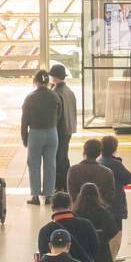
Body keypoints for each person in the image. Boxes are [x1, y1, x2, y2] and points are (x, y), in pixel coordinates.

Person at [21, 69, 62, 205]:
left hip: (36, 134)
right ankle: (49, 195)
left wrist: (25, 138)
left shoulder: (30, 97)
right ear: (47, 81)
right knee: (51, 164)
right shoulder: (55, 96)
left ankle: (35, 196)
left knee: (34, 164)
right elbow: (60, 116)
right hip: (52, 133)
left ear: (36, 81)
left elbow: (24, 120)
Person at [97, 135, 131, 262]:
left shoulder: (100, 161)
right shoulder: (115, 164)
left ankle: (106, 261)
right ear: (114, 149)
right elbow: (129, 178)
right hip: (116, 205)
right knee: (116, 235)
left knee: (105, 235)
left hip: (103, 205)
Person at [50, 64, 78, 194]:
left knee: (58, 158)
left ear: (54, 77)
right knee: (64, 156)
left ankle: (59, 185)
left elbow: (57, 115)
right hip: (69, 128)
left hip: (60, 129)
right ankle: (68, 183)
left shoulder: (56, 92)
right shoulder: (69, 91)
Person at [67, 138, 116, 208]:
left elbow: (72, 193)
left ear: (84, 151)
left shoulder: (73, 170)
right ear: (99, 153)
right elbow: (110, 195)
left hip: (79, 209)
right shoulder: (107, 172)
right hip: (100, 209)